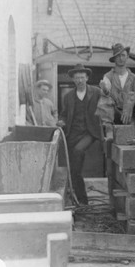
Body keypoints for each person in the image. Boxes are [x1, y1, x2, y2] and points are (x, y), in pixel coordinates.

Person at [57, 64, 102, 205]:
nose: (80, 80)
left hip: (90, 132)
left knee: (77, 152)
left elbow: (107, 107)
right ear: (73, 80)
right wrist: (61, 121)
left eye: (82, 77)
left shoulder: (96, 92)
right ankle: (78, 198)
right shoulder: (69, 96)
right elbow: (64, 115)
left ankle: (82, 200)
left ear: (87, 78)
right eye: (77, 78)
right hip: (72, 133)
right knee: (72, 168)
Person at [96, 43, 135, 140]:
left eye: (123, 55)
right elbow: (106, 89)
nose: (120, 58)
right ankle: (109, 130)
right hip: (113, 113)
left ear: (127, 57)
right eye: (118, 56)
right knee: (104, 99)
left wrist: (129, 105)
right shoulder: (108, 76)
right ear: (114, 59)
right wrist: (105, 89)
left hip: (129, 114)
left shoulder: (133, 78)